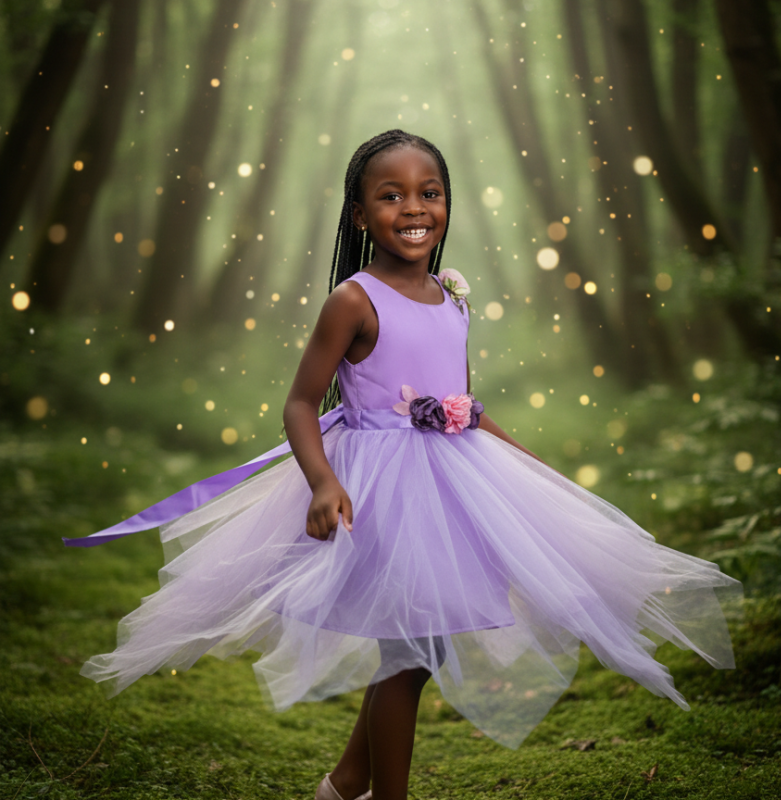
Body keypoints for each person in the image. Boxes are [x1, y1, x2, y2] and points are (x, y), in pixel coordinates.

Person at [66, 130, 741, 800]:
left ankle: (348, 781)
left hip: (455, 484)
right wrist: (323, 481)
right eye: (392, 196)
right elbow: (301, 404)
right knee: (410, 650)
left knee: (423, 648)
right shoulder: (355, 300)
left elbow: (461, 406)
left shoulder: (453, 297)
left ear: (446, 204)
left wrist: (526, 464)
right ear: (362, 215)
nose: (414, 208)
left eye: (430, 193)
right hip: (383, 491)